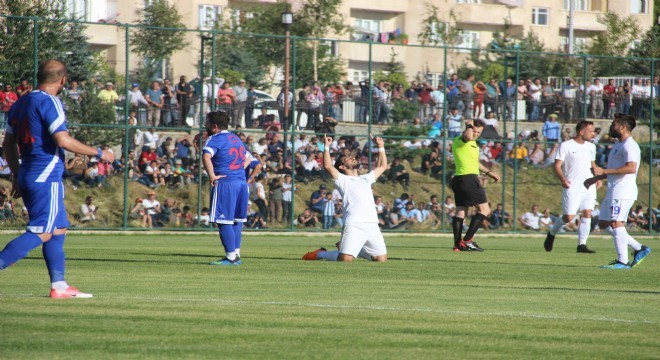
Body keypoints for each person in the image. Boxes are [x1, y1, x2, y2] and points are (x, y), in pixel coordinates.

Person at [0, 59, 114, 298]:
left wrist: (17, 174)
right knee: (41, 231)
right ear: (63, 79)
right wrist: (101, 153)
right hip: (46, 174)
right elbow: (63, 140)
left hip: (30, 172)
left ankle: (59, 286)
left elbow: (8, 145)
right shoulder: (50, 102)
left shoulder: (21, 103)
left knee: (58, 227)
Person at [303, 134, 390, 262]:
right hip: (354, 223)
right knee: (345, 259)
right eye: (347, 159)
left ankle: (354, 249)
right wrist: (327, 147)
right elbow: (327, 166)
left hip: (372, 224)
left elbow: (383, 166)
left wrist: (381, 147)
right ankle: (320, 254)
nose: (352, 158)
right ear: (342, 167)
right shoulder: (342, 180)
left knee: (381, 260)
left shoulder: (366, 178)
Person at [584, 114, 651, 269]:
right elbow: (615, 170)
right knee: (603, 223)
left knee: (616, 223)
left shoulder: (630, 145)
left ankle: (623, 261)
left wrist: (604, 170)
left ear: (622, 127)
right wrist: (596, 178)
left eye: (614, 124)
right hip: (613, 191)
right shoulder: (618, 144)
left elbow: (631, 168)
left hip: (623, 191)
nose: (611, 127)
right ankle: (639, 248)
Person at [544, 121, 600, 254]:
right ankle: (552, 233)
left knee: (587, 213)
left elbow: (593, 165)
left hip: (588, 185)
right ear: (581, 132)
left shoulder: (592, 147)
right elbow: (557, 165)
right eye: (590, 131)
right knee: (569, 217)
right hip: (572, 185)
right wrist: (563, 179)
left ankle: (582, 245)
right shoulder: (566, 145)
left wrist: (597, 178)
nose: (593, 133)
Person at [202, 111, 249, 266]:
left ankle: (230, 257)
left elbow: (206, 157)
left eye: (207, 123)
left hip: (225, 182)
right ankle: (236, 255)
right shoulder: (236, 138)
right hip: (241, 183)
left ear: (214, 126)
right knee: (236, 221)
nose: (205, 125)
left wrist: (212, 176)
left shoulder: (214, 138)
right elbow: (247, 158)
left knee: (224, 221)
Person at [449, 119, 500, 252]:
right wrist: (469, 126)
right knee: (485, 210)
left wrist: (489, 173)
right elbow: (467, 136)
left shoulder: (473, 144)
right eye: (474, 131)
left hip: (460, 179)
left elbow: (475, 162)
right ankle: (467, 240)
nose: (476, 134)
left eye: (479, 132)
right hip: (468, 179)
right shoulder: (462, 140)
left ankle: (457, 244)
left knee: (461, 212)